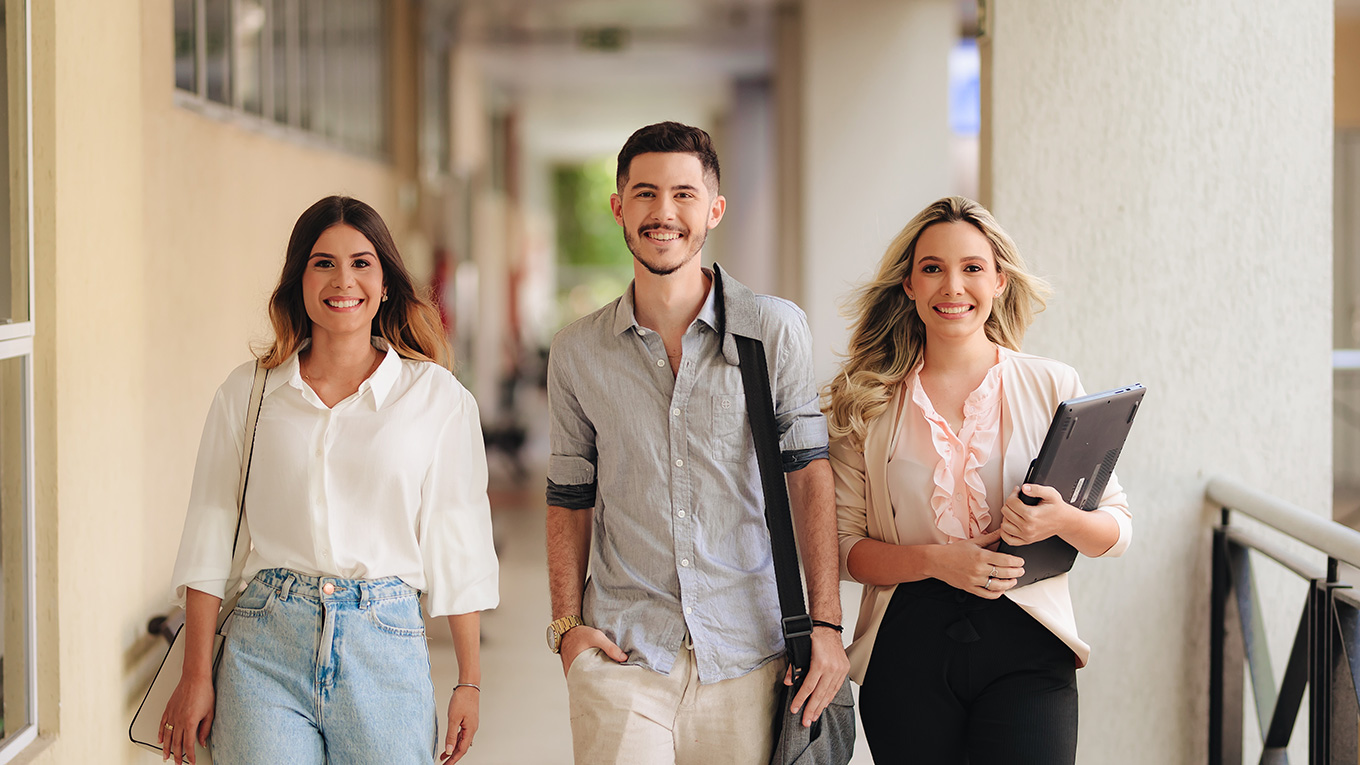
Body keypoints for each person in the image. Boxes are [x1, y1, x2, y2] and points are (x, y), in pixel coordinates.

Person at [544, 121, 849, 764]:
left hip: (748, 654)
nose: (663, 213)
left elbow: (809, 475)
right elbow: (568, 497)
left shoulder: (773, 328)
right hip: (623, 651)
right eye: (646, 193)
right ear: (618, 205)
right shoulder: (578, 350)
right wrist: (567, 629)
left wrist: (826, 624)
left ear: (714, 208)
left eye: (684, 194)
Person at [158, 196, 499, 765]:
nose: (344, 280)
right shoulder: (248, 394)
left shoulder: (437, 399)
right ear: (299, 279)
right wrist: (196, 673)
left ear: (386, 282)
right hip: (264, 644)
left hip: (385, 643)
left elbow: (456, 539)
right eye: (324, 263)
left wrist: (470, 679)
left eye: (362, 263)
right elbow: (208, 535)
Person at [825, 196, 1132, 763]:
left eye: (972, 268)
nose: (953, 287)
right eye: (932, 268)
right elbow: (845, 552)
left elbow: (1117, 529)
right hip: (907, 647)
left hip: (1030, 644)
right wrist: (937, 561)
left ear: (999, 282)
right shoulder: (865, 403)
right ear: (909, 285)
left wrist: (1060, 518)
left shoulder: (1052, 385)